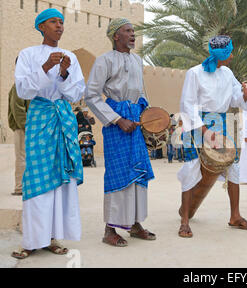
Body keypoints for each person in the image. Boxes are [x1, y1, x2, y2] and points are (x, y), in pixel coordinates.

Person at [12, 8, 85, 259]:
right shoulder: (28, 54)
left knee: (61, 180)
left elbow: (76, 93)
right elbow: (23, 89)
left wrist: (64, 73)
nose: (60, 26)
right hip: (40, 117)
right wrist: (45, 67)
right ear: (41, 26)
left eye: (62, 22)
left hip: (63, 119)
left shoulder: (70, 57)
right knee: (37, 178)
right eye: (54, 22)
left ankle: (53, 237)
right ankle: (31, 240)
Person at [177, 35, 247, 238]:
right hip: (197, 124)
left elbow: (234, 98)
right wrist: (205, 131)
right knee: (191, 167)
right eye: (230, 52)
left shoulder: (227, 73)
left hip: (223, 122)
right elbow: (187, 104)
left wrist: (246, 95)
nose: (232, 56)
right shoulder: (194, 73)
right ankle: (185, 221)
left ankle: (235, 216)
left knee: (234, 166)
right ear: (221, 54)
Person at [85, 18, 156, 247]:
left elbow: (141, 93)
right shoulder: (104, 61)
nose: (133, 34)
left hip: (135, 120)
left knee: (138, 172)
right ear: (116, 36)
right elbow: (92, 95)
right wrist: (117, 119)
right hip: (116, 123)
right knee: (117, 173)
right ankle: (109, 229)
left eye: (133, 31)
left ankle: (135, 224)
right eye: (127, 31)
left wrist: (147, 116)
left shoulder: (137, 60)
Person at [8, 62, 30, 196]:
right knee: (22, 157)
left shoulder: (27, 85)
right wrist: (27, 126)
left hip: (27, 127)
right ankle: (19, 187)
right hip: (22, 128)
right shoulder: (18, 86)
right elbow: (18, 111)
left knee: (25, 157)